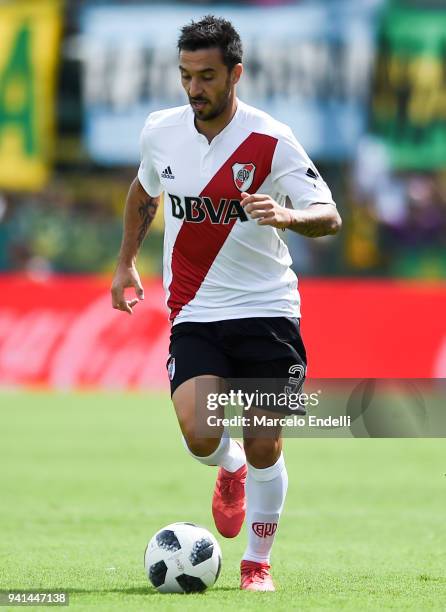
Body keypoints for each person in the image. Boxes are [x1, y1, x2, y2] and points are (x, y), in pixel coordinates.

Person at [111, 15, 341, 592]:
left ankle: (256, 564)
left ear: (235, 74)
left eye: (207, 76)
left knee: (267, 442)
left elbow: (329, 215)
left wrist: (287, 215)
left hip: (268, 311)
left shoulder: (271, 139)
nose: (194, 88)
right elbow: (144, 191)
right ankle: (228, 467)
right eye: (186, 75)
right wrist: (124, 262)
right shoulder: (161, 131)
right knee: (198, 432)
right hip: (195, 309)